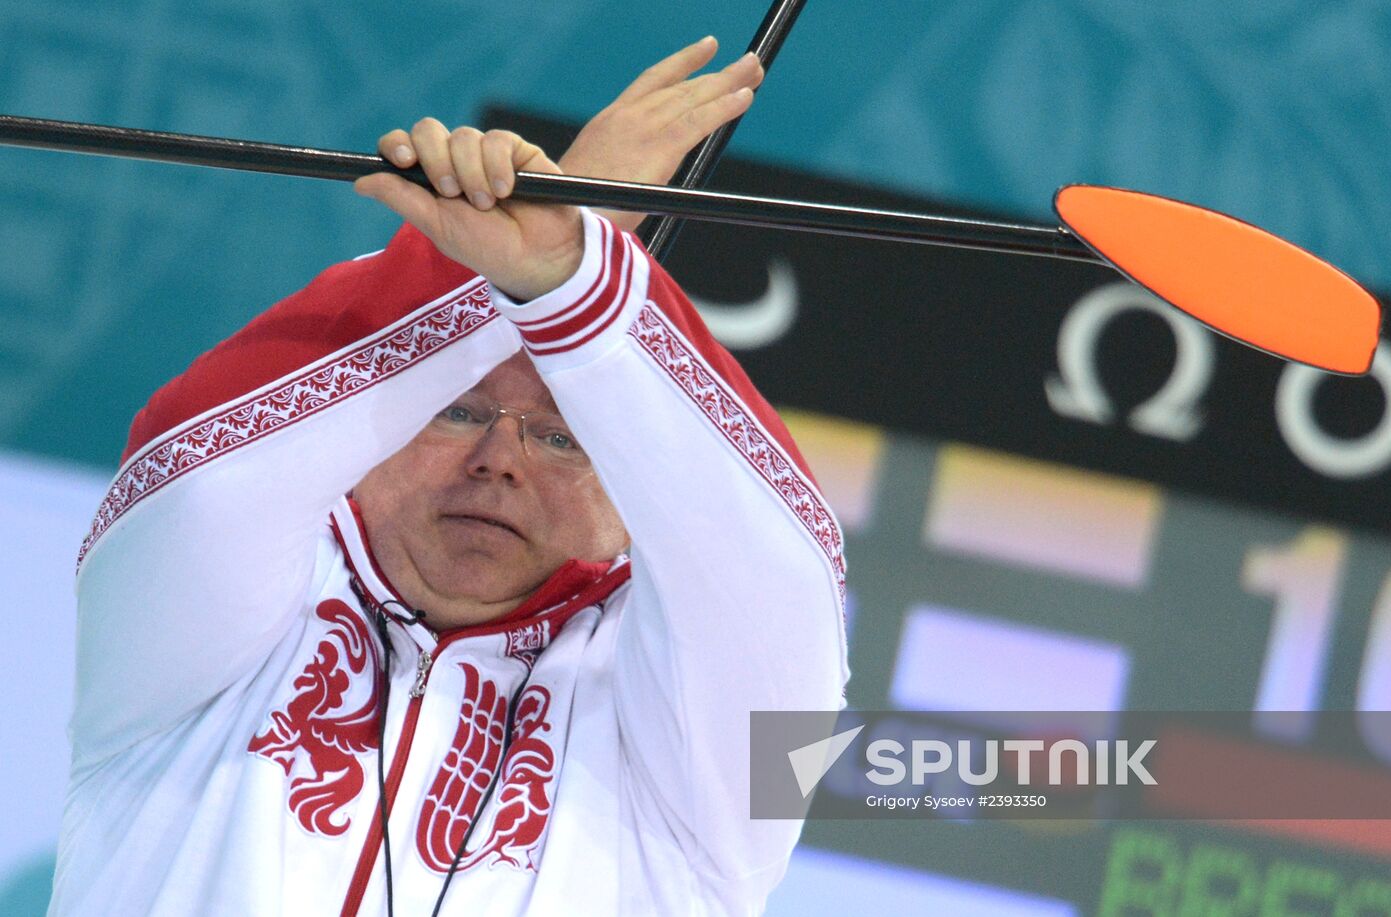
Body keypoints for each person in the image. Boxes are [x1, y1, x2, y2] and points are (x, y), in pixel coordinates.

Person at [49, 37, 848, 917]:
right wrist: (520, 261)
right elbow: (192, 469)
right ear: (369, 436)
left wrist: (567, 273)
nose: (499, 457)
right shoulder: (216, 643)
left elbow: (783, 580)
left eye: (562, 437)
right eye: (458, 411)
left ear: (635, 506)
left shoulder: (692, 756)